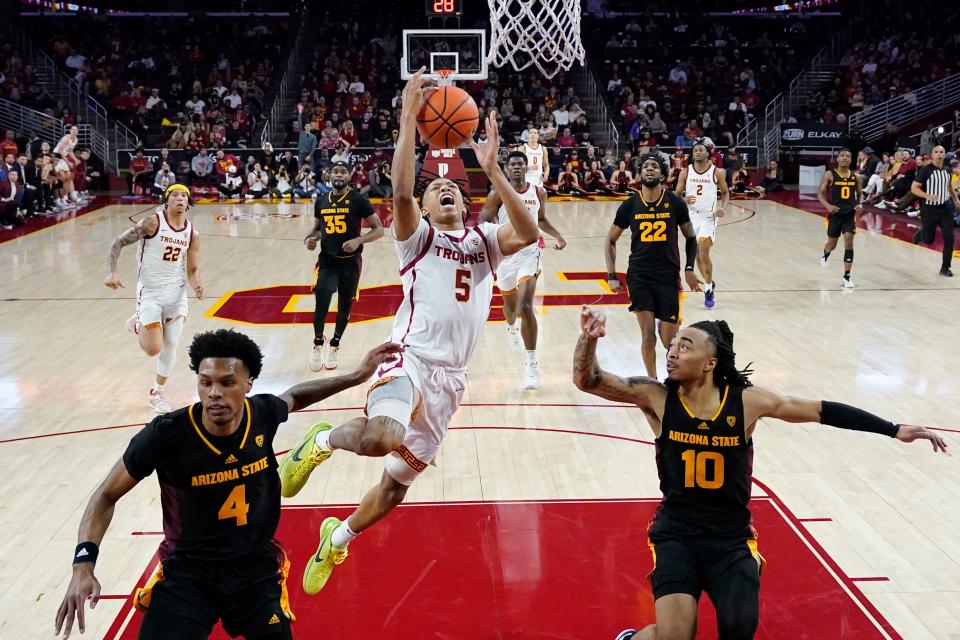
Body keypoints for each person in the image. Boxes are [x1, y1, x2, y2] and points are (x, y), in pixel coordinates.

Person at [277, 71, 539, 597]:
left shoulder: (484, 241)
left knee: (396, 486)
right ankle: (320, 442)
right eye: (434, 188)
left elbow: (529, 231)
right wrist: (406, 121)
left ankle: (338, 538)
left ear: (465, 205)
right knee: (381, 438)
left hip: (451, 381)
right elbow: (400, 190)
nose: (443, 191)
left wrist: (492, 170)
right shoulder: (415, 238)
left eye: (452, 190)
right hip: (410, 360)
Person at [572, 307, 947, 640]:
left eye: (684, 346)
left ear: (710, 363)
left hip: (730, 539)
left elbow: (820, 411)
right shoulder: (657, 398)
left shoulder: (746, 404)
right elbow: (588, 380)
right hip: (677, 534)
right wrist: (588, 340)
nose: (671, 351)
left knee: (739, 629)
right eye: (673, 345)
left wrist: (893, 428)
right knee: (675, 635)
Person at [53, 329, 403, 640]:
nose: (214, 393)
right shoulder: (167, 435)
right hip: (187, 573)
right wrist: (83, 565)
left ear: (249, 383)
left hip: (254, 570)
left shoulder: (261, 414)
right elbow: (106, 494)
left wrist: (357, 376)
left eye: (227, 382)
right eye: (206, 383)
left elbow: (295, 396)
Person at [105, 184, 203, 412]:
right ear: (166, 200)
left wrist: (196, 283)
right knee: (153, 349)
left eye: (184, 196)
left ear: (188, 203)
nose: (180, 199)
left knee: (172, 344)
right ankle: (139, 322)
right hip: (150, 292)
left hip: (177, 294)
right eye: (175, 195)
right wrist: (112, 271)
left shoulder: (192, 234)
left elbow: (192, 268)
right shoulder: (152, 223)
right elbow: (117, 242)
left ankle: (157, 392)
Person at [605, 154, 702, 378]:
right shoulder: (629, 205)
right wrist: (611, 274)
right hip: (639, 276)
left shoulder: (675, 202)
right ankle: (653, 382)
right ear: (638, 174)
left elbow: (690, 237)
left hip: (668, 276)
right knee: (647, 335)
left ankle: (673, 376)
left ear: (662, 174)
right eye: (645, 166)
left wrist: (689, 269)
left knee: (670, 341)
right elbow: (610, 240)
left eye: (655, 166)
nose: (650, 169)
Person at [479, 151, 567, 389]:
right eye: (513, 165)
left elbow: (540, 220)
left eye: (520, 164)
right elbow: (483, 220)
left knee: (526, 305)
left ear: (526, 168)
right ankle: (510, 328)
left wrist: (557, 235)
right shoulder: (498, 193)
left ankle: (531, 364)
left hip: (530, 253)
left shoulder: (539, 192)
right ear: (506, 169)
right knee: (510, 307)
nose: (517, 168)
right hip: (506, 254)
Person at [304, 161, 384, 371]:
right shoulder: (321, 200)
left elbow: (379, 229)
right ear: (329, 175)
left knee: (344, 308)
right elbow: (316, 230)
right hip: (327, 261)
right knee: (321, 305)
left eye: (343, 172)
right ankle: (318, 343)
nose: (339, 175)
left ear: (349, 176)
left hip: (350, 264)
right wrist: (311, 240)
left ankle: (335, 345)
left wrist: (359, 240)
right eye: (335, 171)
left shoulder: (358, 199)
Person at [675, 141, 729, 309]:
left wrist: (722, 208)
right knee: (697, 256)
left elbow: (726, 193)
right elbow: (675, 195)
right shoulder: (685, 172)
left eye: (700, 150)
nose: (697, 152)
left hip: (708, 217)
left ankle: (708, 290)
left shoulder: (717, 172)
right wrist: (683, 199)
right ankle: (710, 282)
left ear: (708, 155)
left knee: (703, 252)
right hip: (690, 217)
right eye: (695, 150)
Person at [817, 148, 863, 289]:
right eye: (842, 156)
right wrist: (828, 206)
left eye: (848, 156)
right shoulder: (830, 175)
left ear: (851, 160)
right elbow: (820, 194)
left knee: (849, 241)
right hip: (835, 215)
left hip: (849, 215)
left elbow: (860, 193)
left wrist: (860, 203)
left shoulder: (856, 177)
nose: (845, 158)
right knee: (832, 245)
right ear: (837, 159)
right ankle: (826, 252)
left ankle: (846, 277)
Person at [911, 145, 957, 277]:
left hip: (945, 209)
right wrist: (927, 196)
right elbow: (914, 188)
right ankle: (921, 234)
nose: (939, 154)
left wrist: (955, 199)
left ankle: (945, 268)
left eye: (942, 152)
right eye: (936, 152)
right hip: (929, 209)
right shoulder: (925, 170)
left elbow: (948, 186)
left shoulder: (948, 170)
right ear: (932, 154)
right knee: (929, 240)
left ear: (944, 155)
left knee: (949, 238)